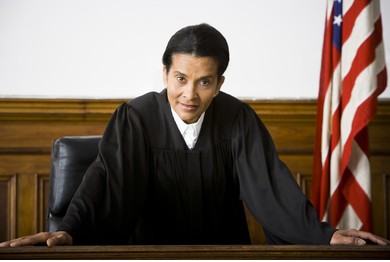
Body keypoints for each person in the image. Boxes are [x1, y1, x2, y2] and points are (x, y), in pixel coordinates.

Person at [1, 23, 388, 247]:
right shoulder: (134, 119)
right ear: (165, 74)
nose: (190, 94)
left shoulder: (238, 119)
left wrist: (326, 237)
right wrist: (70, 232)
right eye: (180, 79)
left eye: (204, 82)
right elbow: (107, 186)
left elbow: (272, 192)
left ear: (219, 83)